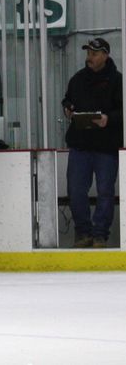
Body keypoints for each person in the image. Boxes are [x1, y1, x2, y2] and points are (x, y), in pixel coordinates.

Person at [62, 38, 123, 248]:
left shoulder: (118, 81)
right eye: (88, 52)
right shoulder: (77, 79)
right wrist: (68, 107)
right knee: (76, 190)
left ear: (105, 55)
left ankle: (100, 235)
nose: (89, 57)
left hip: (106, 147)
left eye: (94, 53)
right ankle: (83, 233)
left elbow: (123, 111)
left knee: (105, 191)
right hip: (80, 145)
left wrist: (109, 119)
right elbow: (67, 99)